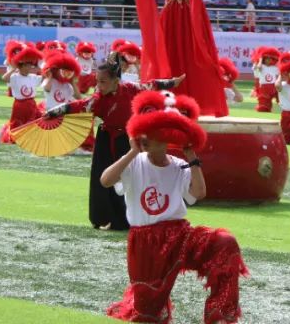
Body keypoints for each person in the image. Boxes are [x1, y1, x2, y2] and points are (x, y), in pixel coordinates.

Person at [99, 89, 246, 323]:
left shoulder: (179, 165)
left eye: (153, 134)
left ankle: (220, 316)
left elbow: (199, 193)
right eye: (144, 133)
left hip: (180, 234)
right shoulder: (134, 162)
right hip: (145, 242)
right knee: (148, 312)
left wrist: (192, 156)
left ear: (167, 138)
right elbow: (105, 180)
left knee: (224, 243)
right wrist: (132, 152)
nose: (146, 139)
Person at [47, 51, 181, 231]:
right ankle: (101, 218)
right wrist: (53, 112)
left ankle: (126, 219)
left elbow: (152, 85)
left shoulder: (132, 89)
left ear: (116, 80)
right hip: (105, 140)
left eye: (103, 81)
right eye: (97, 81)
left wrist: (173, 82)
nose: (98, 86)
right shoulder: (97, 100)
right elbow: (77, 106)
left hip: (128, 140)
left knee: (128, 178)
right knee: (101, 178)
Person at [136, 0, 227, 116]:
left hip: (190, 14)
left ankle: (194, 102)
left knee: (194, 56)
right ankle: (166, 101)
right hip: (170, 13)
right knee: (168, 53)